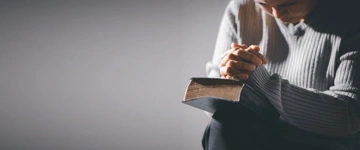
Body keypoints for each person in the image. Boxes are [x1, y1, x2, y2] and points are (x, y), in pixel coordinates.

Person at [202, 0, 360, 149]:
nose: (276, 14)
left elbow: (351, 117)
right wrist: (230, 77)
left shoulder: (352, 13)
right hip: (260, 135)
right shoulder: (241, 8)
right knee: (223, 123)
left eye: (289, 3)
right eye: (263, 4)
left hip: (324, 143)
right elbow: (215, 102)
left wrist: (263, 83)